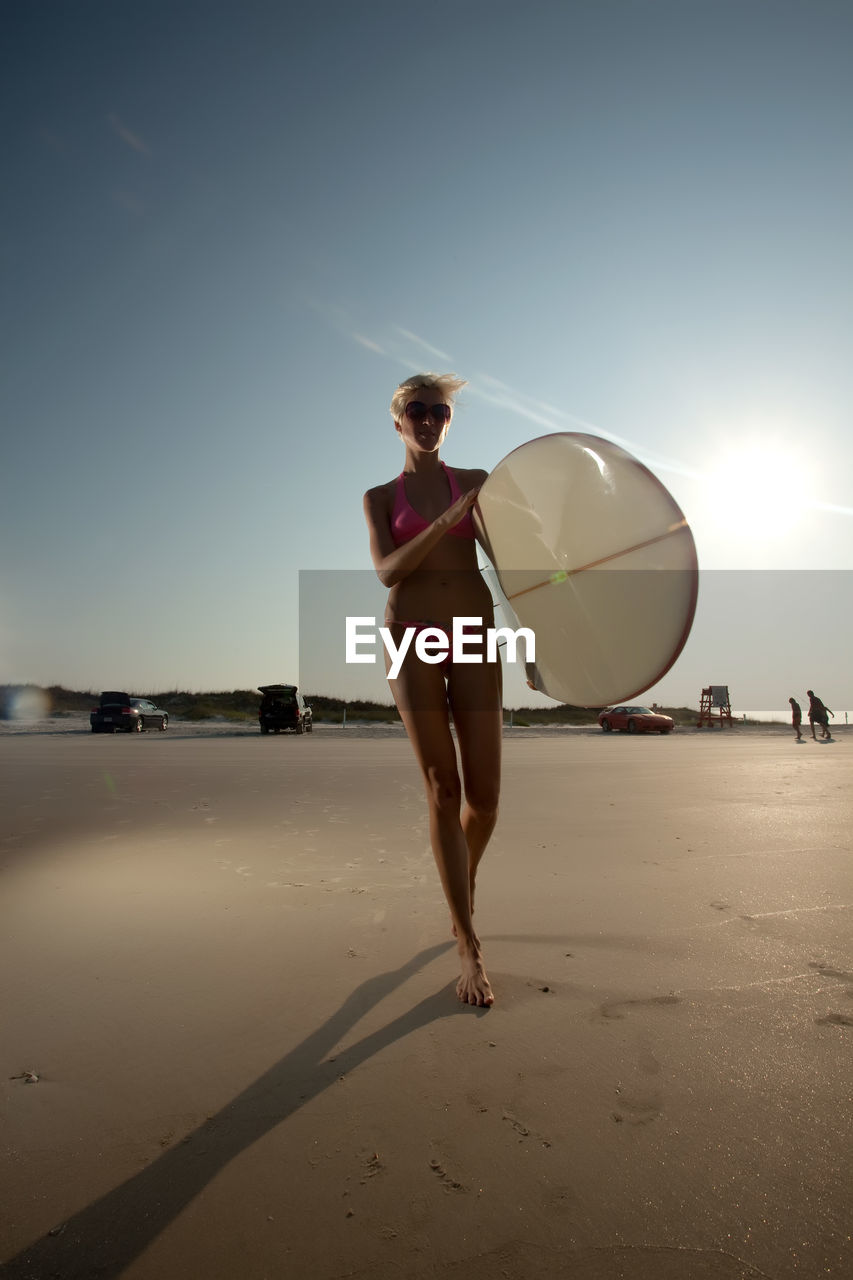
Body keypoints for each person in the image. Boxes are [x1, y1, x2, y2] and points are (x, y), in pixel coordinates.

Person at [363, 373, 501, 1007]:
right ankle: (468, 944)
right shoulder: (378, 496)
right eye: (415, 410)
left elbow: (512, 564)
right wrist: (445, 521)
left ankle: (459, 887)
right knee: (443, 790)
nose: (427, 419)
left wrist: (545, 639)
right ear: (398, 423)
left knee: (487, 800)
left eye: (438, 411)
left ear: (449, 421)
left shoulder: (475, 484)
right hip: (409, 634)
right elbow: (388, 569)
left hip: (473, 632)